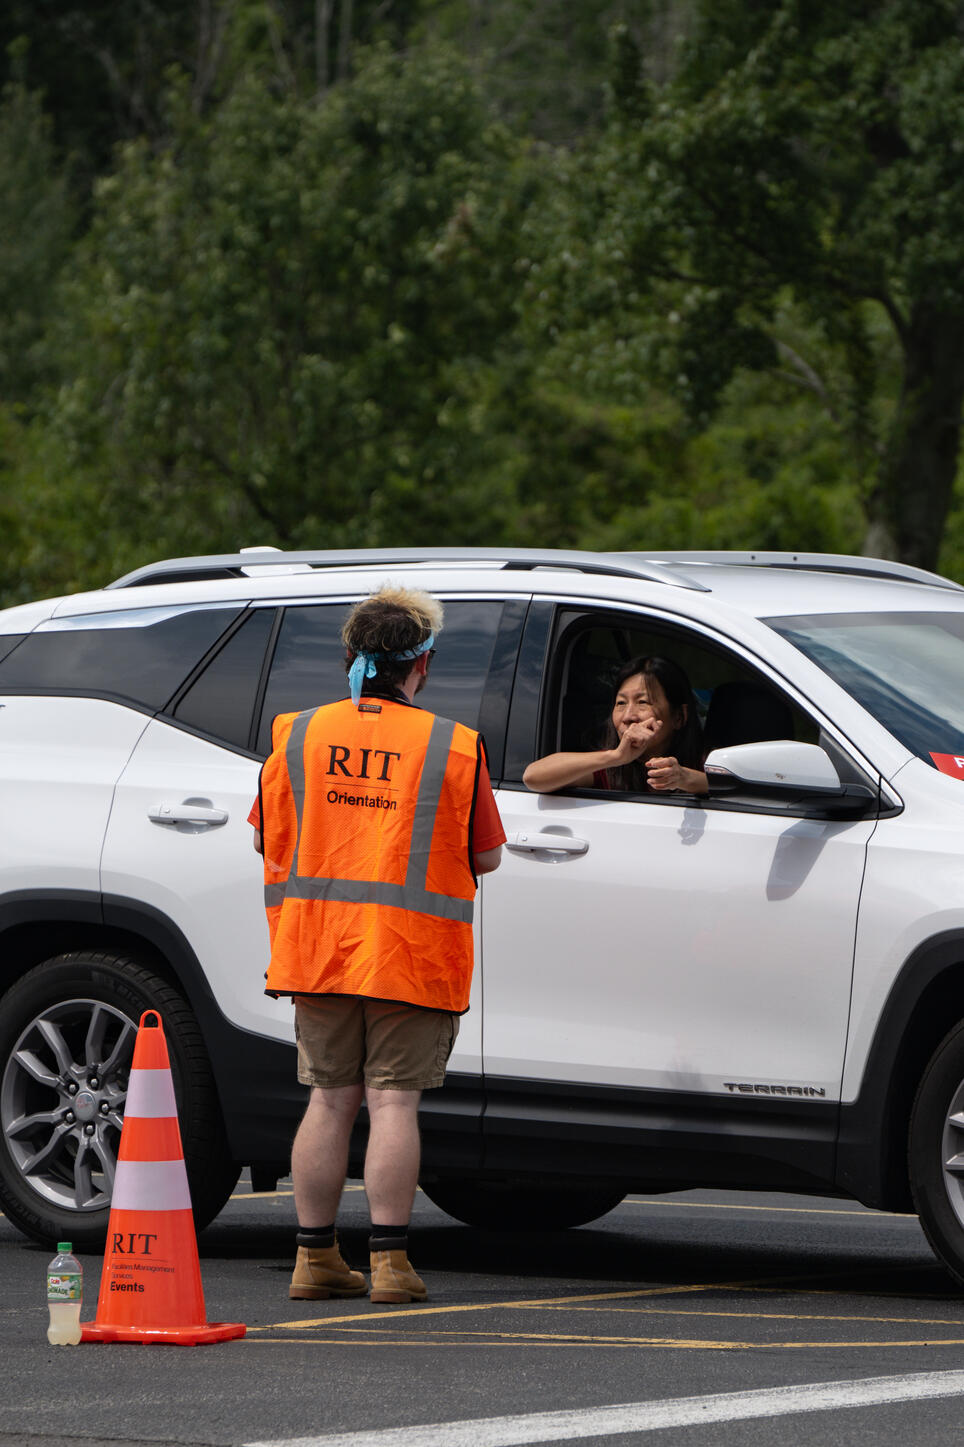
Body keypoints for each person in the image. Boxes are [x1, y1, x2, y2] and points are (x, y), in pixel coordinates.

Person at [251, 585, 505, 1305]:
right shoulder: (454, 746)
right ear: (420, 664)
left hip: (318, 951)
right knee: (394, 1105)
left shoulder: (294, 735)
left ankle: (314, 1258)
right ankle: (390, 1263)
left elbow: (268, 834)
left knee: (329, 1101)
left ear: (351, 657)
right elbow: (484, 857)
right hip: (409, 955)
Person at [523, 654, 708, 796]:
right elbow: (533, 777)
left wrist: (682, 777)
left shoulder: (707, 763)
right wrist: (616, 756)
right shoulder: (609, 768)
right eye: (621, 703)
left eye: (643, 702)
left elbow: (733, 789)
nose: (628, 716)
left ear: (679, 717)